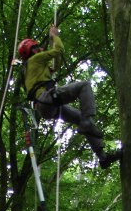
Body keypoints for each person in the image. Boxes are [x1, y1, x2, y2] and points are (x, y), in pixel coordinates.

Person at [18, 24, 121, 169]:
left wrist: (54, 44)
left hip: (45, 106)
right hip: (47, 98)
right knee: (84, 86)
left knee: (79, 118)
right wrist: (54, 36)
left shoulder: (31, 68)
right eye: (37, 47)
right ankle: (87, 122)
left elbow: (55, 66)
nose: (40, 48)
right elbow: (59, 50)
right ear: (32, 50)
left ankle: (103, 157)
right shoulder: (35, 60)